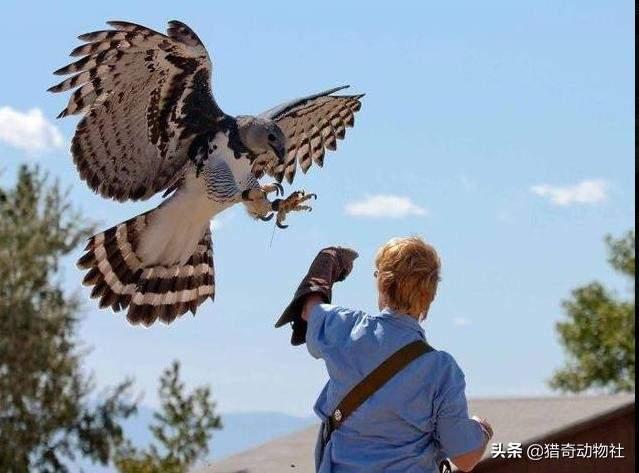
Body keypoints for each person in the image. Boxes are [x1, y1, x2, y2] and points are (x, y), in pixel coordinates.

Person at [275, 237, 493, 472]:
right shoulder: (441, 370)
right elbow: (465, 458)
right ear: (431, 293)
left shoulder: (346, 329)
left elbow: (309, 309)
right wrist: (482, 430)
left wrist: (327, 262)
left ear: (383, 283)